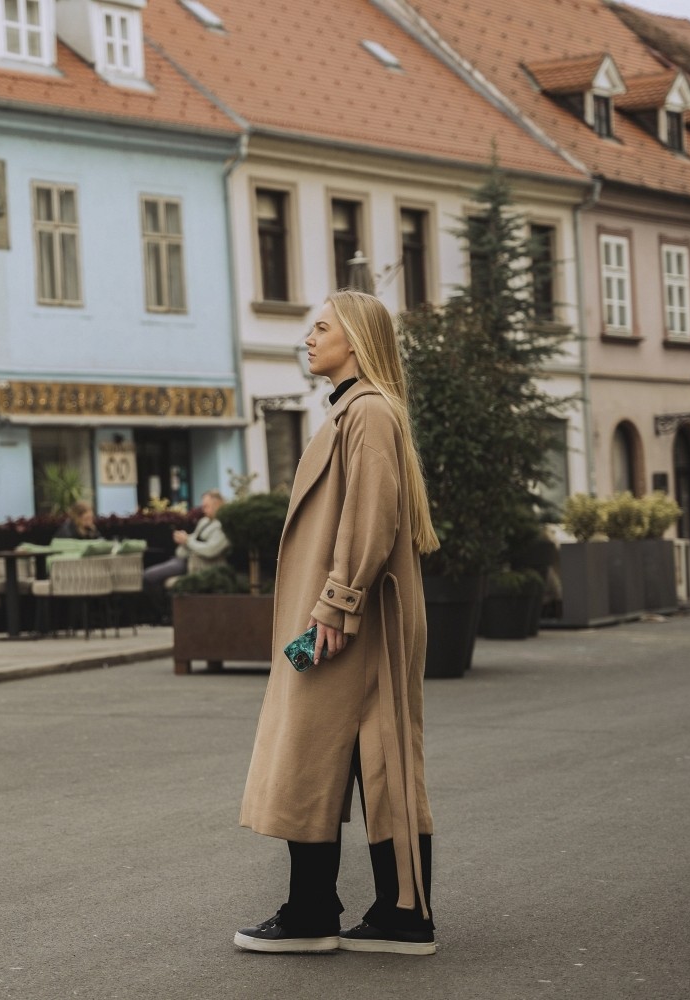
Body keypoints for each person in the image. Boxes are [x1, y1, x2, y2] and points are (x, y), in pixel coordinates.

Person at [235, 290, 441, 956]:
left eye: (321, 327)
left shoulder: (369, 411)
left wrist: (338, 603)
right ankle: (363, 910)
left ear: (354, 339)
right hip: (347, 616)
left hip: (352, 620)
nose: (308, 337)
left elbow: (370, 517)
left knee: (353, 755)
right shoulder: (357, 410)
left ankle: (339, 913)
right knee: (345, 755)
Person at [142, 489, 230, 588]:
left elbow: (210, 550)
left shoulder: (223, 525)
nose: (203, 510)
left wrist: (187, 540)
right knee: (149, 575)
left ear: (217, 505)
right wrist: (183, 539)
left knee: (148, 576)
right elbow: (192, 540)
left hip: (197, 564)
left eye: (206, 506)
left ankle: (158, 598)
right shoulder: (205, 521)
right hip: (183, 559)